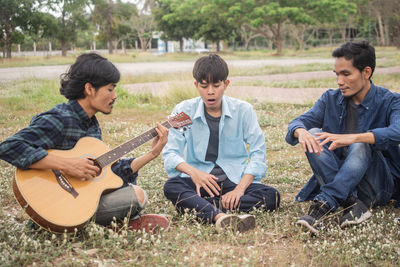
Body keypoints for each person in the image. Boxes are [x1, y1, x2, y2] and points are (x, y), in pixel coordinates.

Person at [0, 53, 169, 232]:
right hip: (52, 203)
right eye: (110, 89)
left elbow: (108, 174)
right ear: (89, 89)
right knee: (138, 196)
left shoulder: (92, 125)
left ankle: (84, 223)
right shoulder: (60, 118)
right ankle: (109, 224)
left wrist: (152, 154)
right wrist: (67, 165)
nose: (115, 96)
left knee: (136, 194)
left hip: (76, 201)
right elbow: (9, 147)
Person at [285, 41, 400, 234]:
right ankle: (352, 203)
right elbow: (298, 122)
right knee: (312, 134)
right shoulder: (329, 98)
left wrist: (355, 137)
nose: (339, 81)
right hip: (341, 176)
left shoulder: (390, 101)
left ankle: (325, 202)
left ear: (366, 72)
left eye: (346, 74)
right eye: (337, 74)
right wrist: (301, 131)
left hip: (377, 185)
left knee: (362, 144)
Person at [162, 54, 280, 233]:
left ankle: (200, 207)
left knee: (272, 197)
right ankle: (220, 216)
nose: (210, 91)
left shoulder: (243, 110)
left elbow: (258, 154)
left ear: (226, 84)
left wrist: (239, 190)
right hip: (200, 182)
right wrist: (195, 173)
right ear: (196, 85)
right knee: (171, 186)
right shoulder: (183, 111)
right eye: (204, 86)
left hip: (234, 180)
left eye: (216, 86)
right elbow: (170, 154)